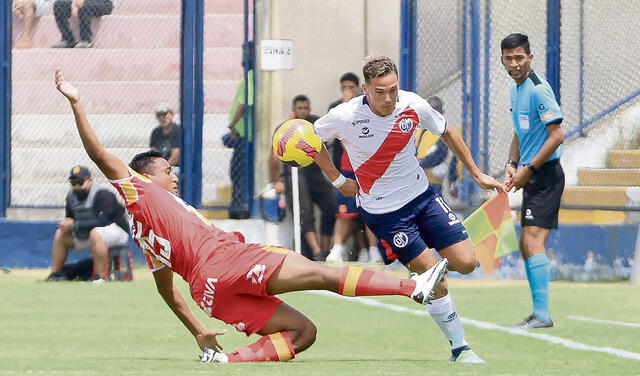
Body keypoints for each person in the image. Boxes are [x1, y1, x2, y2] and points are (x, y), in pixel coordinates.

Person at [54, 69, 449, 363]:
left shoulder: (147, 231)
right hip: (226, 261)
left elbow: (166, 291)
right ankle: (412, 288)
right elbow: (99, 155)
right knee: (320, 272)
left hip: (210, 293)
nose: (172, 175)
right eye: (166, 170)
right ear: (145, 175)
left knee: (302, 332)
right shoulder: (141, 190)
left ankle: (225, 360)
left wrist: (198, 331)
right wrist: (76, 103)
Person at [312, 56, 506, 363]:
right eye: (380, 91)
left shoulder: (413, 104)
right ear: (365, 89)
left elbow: (448, 132)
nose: (388, 98)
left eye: (393, 89)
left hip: (423, 198)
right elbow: (311, 140)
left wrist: (476, 173)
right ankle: (460, 348)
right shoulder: (345, 115)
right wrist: (338, 180)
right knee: (436, 279)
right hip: (386, 214)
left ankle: (420, 266)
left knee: (467, 262)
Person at [500, 33, 565, 329]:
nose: (514, 64)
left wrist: (528, 169)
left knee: (531, 240)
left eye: (519, 58)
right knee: (528, 243)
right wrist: (512, 163)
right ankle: (539, 312)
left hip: (546, 174)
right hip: (531, 173)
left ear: (530, 58)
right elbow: (520, 131)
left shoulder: (539, 90)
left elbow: (557, 136)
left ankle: (542, 315)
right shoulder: (516, 89)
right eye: (508, 59)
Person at [325, 73, 381, 263]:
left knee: (371, 211)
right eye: (344, 87)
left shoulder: (370, 107)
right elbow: (338, 139)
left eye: (351, 87)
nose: (348, 91)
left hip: (367, 168)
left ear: (359, 87)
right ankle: (337, 249)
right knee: (345, 212)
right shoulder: (337, 109)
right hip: (347, 168)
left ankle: (374, 252)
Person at [271, 95, 335, 261]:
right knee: (304, 212)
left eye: (306, 108)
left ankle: (326, 248)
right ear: (294, 109)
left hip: (315, 173)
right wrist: (277, 180)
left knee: (331, 205)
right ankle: (316, 251)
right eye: (300, 108)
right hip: (294, 173)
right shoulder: (284, 127)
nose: (303, 111)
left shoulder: (315, 125)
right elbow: (273, 157)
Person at [45, 165, 129, 282]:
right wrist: (67, 223)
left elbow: (103, 221)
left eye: (80, 182)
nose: (77, 186)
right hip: (89, 234)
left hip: (117, 233)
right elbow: (71, 218)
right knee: (60, 234)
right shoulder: (71, 197)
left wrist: (75, 225)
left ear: (89, 180)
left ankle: (99, 276)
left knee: (96, 233)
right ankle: (56, 274)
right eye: (73, 183)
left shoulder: (102, 194)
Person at [224, 68, 254, 219]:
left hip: (244, 137)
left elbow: (242, 105)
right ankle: (238, 207)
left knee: (238, 175)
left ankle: (238, 209)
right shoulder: (250, 77)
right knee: (238, 174)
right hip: (243, 136)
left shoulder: (250, 76)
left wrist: (232, 125)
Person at [149, 103, 181, 175]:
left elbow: (176, 156)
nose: (163, 117)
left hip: (176, 167)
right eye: (159, 115)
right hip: (161, 167)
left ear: (172, 114)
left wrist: (164, 168)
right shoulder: (156, 132)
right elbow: (153, 152)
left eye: (165, 114)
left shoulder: (178, 131)